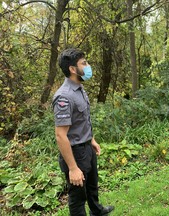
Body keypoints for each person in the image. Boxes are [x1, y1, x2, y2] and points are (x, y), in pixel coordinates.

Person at [52, 48, 114, 216]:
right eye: (84, 63)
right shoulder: (64, 97)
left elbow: (81, 120)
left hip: (86, 148)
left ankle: (97, 211)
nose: (88, 66)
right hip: (75, 153)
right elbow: (60, 135)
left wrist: (91, 140)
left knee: (92, 185)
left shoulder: (79, 88)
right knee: (78, 197)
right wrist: (72, 168)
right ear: (73, 69)